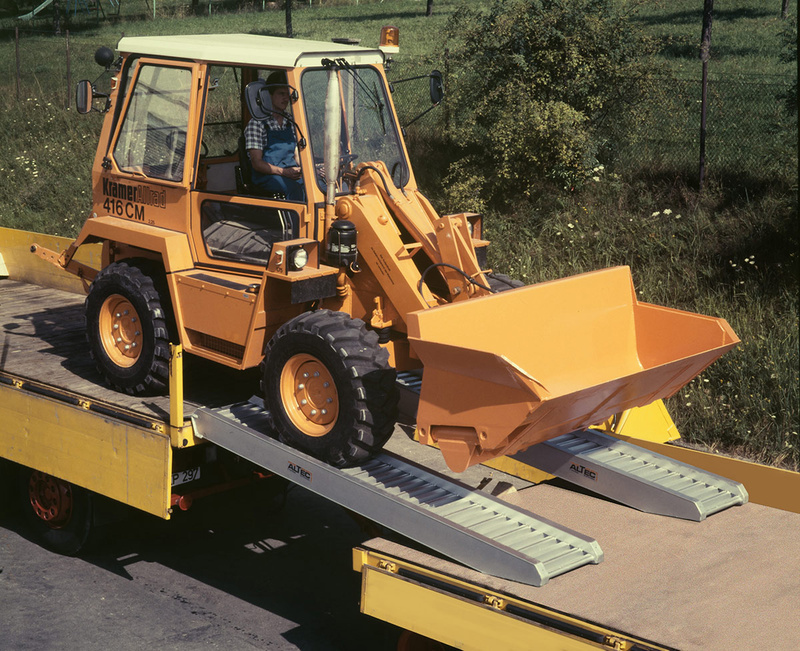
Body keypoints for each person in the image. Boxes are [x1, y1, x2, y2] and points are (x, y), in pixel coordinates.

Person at [244, 71, 304, 201]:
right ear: (268, 95)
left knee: (316, 184)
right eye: (281, 94)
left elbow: (297, 154)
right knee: (294, 189)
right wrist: (284, 172)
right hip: (267, 176)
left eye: (287, 94)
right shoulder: (257, 124)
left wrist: (306, 170)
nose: (286, 98)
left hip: (290, 172)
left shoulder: (291, 121)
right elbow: (257, 163)